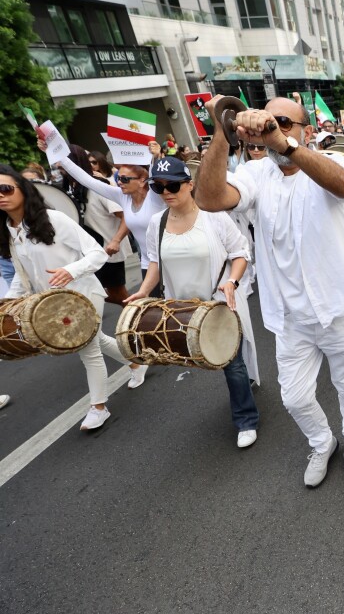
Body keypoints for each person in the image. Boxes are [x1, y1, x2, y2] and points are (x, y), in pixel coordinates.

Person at [195, 95, 344, 487]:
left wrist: (282, 142)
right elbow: (208, 198)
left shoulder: (333, 161)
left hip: (338, 309)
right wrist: (223, 133)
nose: (273, 128)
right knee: (293, 397)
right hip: (290, 319)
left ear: (306, 131)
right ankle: (322, 441)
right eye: (268, 122)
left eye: (285, 123)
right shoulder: (257, 175)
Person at [126, 157, 261, 448]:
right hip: (183, 310)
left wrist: (232, 282)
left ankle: (246, 420)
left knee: (232, 364)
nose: (166, 192)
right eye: (158, 187)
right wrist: (144, 291)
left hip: (219, 302)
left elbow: (240, 252)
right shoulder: (156, 223)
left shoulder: (213, 216)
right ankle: (246, 390)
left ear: (190, 184)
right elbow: (154, 262)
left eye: (173, 185)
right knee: (206, 357)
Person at [0, 166, 146, 431]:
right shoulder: (10, 229)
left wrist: (70, 270)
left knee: (87, 349)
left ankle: (98, 408)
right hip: (52, 303)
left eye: (6, 188)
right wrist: (8, 303)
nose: (1, 195)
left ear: (23, 190)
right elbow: (22, 276)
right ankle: (136, 363)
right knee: (96, 340)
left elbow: (97, 254)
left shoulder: (53, 219)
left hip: (83, 294)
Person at [45, 139, 166, 294]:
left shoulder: (155, 197)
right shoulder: (122, 196)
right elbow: (86, 179)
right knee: (157, 310)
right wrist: (58, 156)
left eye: (125, 179)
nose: (119, 182)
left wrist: (156, 157)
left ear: (143, 181)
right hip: (148, 264)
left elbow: (157, 177)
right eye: (118, 178)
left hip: (172, 260)